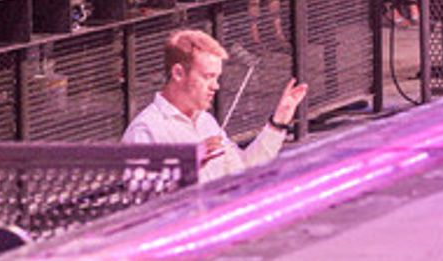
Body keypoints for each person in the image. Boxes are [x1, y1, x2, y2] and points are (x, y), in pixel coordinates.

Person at [122, 29, 306, 182]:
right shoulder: (146, 130)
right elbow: (139, 204)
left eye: (217, 77)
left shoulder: (205, 122)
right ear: (178, 73)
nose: (216, 86)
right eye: (207, 77)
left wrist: (278, 122)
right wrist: (187, 166)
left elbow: (242, 171)